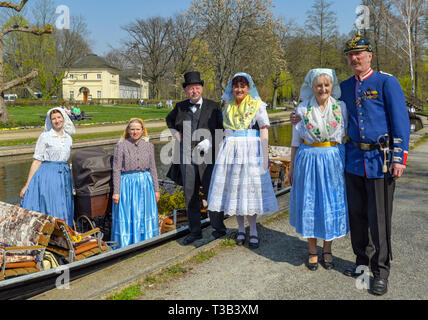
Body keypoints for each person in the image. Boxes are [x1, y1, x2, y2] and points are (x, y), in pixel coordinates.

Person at [290, 32, 410, 295]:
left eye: (359, 54)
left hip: (380, 159)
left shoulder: (385, 82)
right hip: (353, 161)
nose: (355, 58)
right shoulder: (343, 86)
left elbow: (400, 120)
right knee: (357, 217)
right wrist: (296, 114)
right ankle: (361, 262)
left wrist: (399, 157)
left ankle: (380, 270)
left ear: (369, 56)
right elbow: (321, 106)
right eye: (351, 55)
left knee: (379, 219)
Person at [207, 73, 278, 249]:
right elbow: (224, 131)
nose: (239, 89)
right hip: (231, 149)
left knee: (249, 190)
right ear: (232, 88)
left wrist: (265, 155)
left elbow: (264, 130)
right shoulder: (228, 106)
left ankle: (252, 229)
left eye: (242, 86)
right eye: (236, 86)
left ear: (249, 88)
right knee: (235, 190)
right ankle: (240, 228)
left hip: (250, 149)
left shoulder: (257, 105)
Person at [288, 68, 349, 271]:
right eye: (319, 85)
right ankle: (313, 250)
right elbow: (295, 142)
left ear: (332, 86)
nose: (323, 89)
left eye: (327, 84)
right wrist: (291, 167)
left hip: (332, 159)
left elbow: (345, 135)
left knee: (329, 203)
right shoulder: (302, 109)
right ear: (312, 87)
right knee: (311, 203)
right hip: (309, 158)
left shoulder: (341, 107)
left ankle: (328, 249)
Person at [166, 71, 226, 245]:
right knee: (190, 194)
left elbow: (222, 130)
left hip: (208, 157)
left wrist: (211, 142)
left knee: (211, 192)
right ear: (186, 91)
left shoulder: (214, 106)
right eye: (191, 88)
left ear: (201, 88)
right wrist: (176, 134)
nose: (194, 91)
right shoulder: (179, 107)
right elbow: (169, 121)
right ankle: (195, 231)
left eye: (197, 87)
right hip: (187, 157)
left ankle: (218, 227)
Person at [20, 107, 75, 227]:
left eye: (59, 117)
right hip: (49, 175)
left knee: (64, 203)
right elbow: (37, 161)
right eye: (53, 118)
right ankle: (52, 232)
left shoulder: (68, 138)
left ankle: (65, 232)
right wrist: (27, 185)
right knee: (52, 204)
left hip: (64, 176)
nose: (57, 121)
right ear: (50, 121)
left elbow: (67, 160)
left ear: (64, 118)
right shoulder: (45, 137)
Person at [111, 118, 160, 248]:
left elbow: (153, 168)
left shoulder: (149, 146)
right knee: (129, 212)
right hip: (127, 185)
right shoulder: (120, 146)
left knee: (145, 212)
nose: (135, 132)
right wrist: (116, 192)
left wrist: (156, 189)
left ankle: (147, 240)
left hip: (145, 184)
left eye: (138, 129)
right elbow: (116, 169)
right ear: (127, 130)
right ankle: (127, 243)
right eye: (132, 129)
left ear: (142, 130)